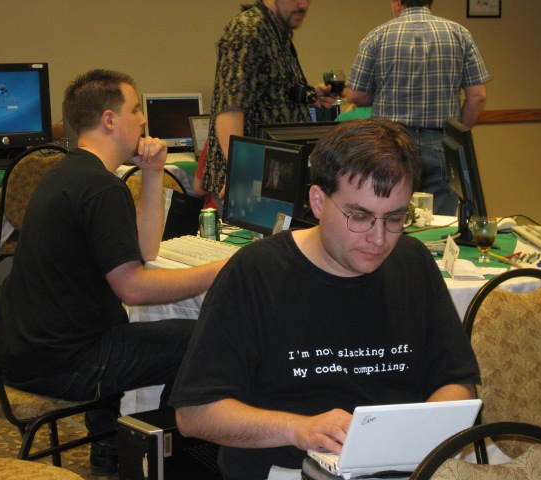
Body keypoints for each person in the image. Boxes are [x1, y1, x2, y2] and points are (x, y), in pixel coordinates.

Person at [171, 118, 481, 480]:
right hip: (286, 469)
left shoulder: (413, 262)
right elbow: (195, 414)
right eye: (360, 217)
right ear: (318, 202)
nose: (379, 239)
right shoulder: (255, 273)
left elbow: (457, 382)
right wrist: (298, 429)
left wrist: (419, 439)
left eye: (395, 218)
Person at [0, 69, 227, 476]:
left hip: (19, 352)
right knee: (201, 340)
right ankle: (164, 459)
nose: (143, 119)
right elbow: (133, 288)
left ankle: (108, 447)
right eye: (134, 110)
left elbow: (144, 251)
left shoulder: (66, 172)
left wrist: (152, 172)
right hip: (62, 364)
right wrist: (219, 271)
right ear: (110, 120)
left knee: (124, 326)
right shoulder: (101, 188)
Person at [344, 0, 490, 215]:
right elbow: (478, 96)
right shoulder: (459, 34)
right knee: (439, 222)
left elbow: (356, 94)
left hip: (390, 141)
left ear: (397, 3)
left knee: (391, 215)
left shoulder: (377, 36)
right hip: (440, 142)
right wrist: (456, 137)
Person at [199, 0, 333, 208]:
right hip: (252, 180)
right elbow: (229, 110)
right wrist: (240, 172)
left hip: (274, 176)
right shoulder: (247, 30)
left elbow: (272, 93)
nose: (303, 5)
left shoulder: (277, 33)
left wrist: (309, 95)